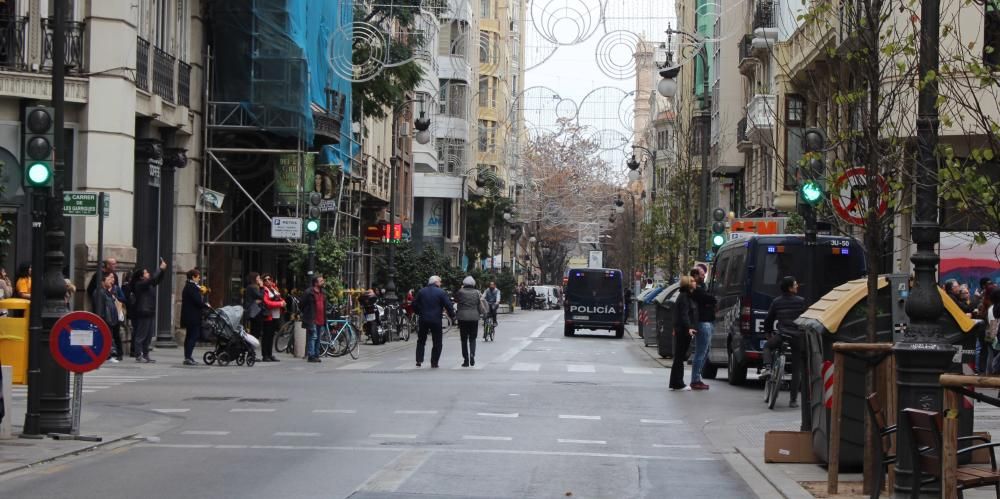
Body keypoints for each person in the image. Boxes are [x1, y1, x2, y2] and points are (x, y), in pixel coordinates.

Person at [761, 276, 808, 408]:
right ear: (790, 288)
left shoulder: (776, 302)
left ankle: (768, 368)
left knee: (767, 346)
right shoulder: (801, 301)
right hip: (797, 337)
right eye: (795, 284)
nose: (797, 286)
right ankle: (793, 400)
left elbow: (769, 319)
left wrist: (768, 332)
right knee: (796, 369)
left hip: (782, 335)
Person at [412, 275, 455, 368]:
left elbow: (414, 304)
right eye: (440, 282)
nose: (440, 283)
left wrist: (419, 312)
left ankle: (419, 360)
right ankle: (434, 362)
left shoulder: (421, 291)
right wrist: (452, 316)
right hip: (436, 320)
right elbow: (448, 305)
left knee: (421, 340)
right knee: (437, 342)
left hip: (423, 319)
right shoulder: (441, 292)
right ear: (436, 282)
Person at [131, 258, 167, 363]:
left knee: (148, 336)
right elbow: (152, 280)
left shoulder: (147, 284)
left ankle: (146, 355)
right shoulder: (140, 284)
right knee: (141, 335)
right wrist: (159, 269)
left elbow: (156, 280)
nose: (148, 274)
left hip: (150, 311)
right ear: (141, 276)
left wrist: (163, 271)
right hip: (143, 311)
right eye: (146, 273)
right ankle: (138, 355)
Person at [689, 266, 718, 391]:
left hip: (707, 322)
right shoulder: (696, 289)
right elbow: (710, 298)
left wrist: (709, 300)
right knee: (701, 352)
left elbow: (709, 299)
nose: (703, 276)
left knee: (704, 352)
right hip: (703, 322)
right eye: (701, 274)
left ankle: (697, 378)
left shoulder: (702, 288)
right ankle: (695, 380)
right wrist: (710, 300)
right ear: (695, 276)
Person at [668, 276, 698, 391]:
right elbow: (684, 314)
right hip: (683, 330)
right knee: (680, 357)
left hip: (681, 329)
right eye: (693, 281)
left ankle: (675, 382)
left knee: (679, 357)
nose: (695, 283)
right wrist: (689, 328)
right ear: (688, 284)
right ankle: (678, 383)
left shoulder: (684, 296)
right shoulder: (685, 297)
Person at [180, 268, 210, 365]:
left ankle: (188, 356)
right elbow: (197, 301)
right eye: (198, 277)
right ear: (193, 277)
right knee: (193, 336)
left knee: (189, 336)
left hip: (189, 315)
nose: (199, 278)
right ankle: (188, 357)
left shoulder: (190, 286)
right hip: (192, 316)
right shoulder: (191, 287)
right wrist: (205, 305)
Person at [92, 272, 123, 363]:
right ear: (102, 281)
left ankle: (108, 355)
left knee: (109, 337)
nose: (112, 281)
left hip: (110, 320)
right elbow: (100, 308)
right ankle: (107, 356)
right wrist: (102, 320)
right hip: (105, 320)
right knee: (105, 338)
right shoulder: (99, 292)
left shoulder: (106, 291)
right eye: (109, 279)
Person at [455, 276, 485, 367]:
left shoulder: (460, 292)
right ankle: (472, 354)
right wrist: (483, 313)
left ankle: (466, 360)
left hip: (463, 318)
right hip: (474, 317)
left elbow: (457, 301)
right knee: (472, 338)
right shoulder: (477, 292)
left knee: (463, 339)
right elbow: (479, 304)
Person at [299, 275, 327, 363]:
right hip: (312, 319)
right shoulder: (309, 292)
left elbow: (324, 305)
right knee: (313, 337)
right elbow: (301, 304)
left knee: (318, 337)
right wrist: (307, 313)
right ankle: (311, 355)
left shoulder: (323, 292)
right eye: (321, 281)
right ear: (315, 283)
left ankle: (316, 355)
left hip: (321, 318)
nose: (323, 282)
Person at [260, 274, 285, 362]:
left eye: (269, 279)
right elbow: (267, 303)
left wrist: (282, 302)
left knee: (271, 336)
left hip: (276, 315)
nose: (268, 281)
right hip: (268, 316)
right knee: (266, 336)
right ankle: (265, 355)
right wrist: (280, 304)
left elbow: (280, 299)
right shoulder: (264, 290)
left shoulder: (274, 289)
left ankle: (270, 354)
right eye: (265, 280)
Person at [244, 272, 264, 338]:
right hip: (255, 311)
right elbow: (261, 296)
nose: (260, 279)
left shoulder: (250, 287)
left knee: (254, 329)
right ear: (254, 279)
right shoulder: (253, 287)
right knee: (255, 329)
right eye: (258, 278)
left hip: (253, 310)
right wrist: (261, 287)